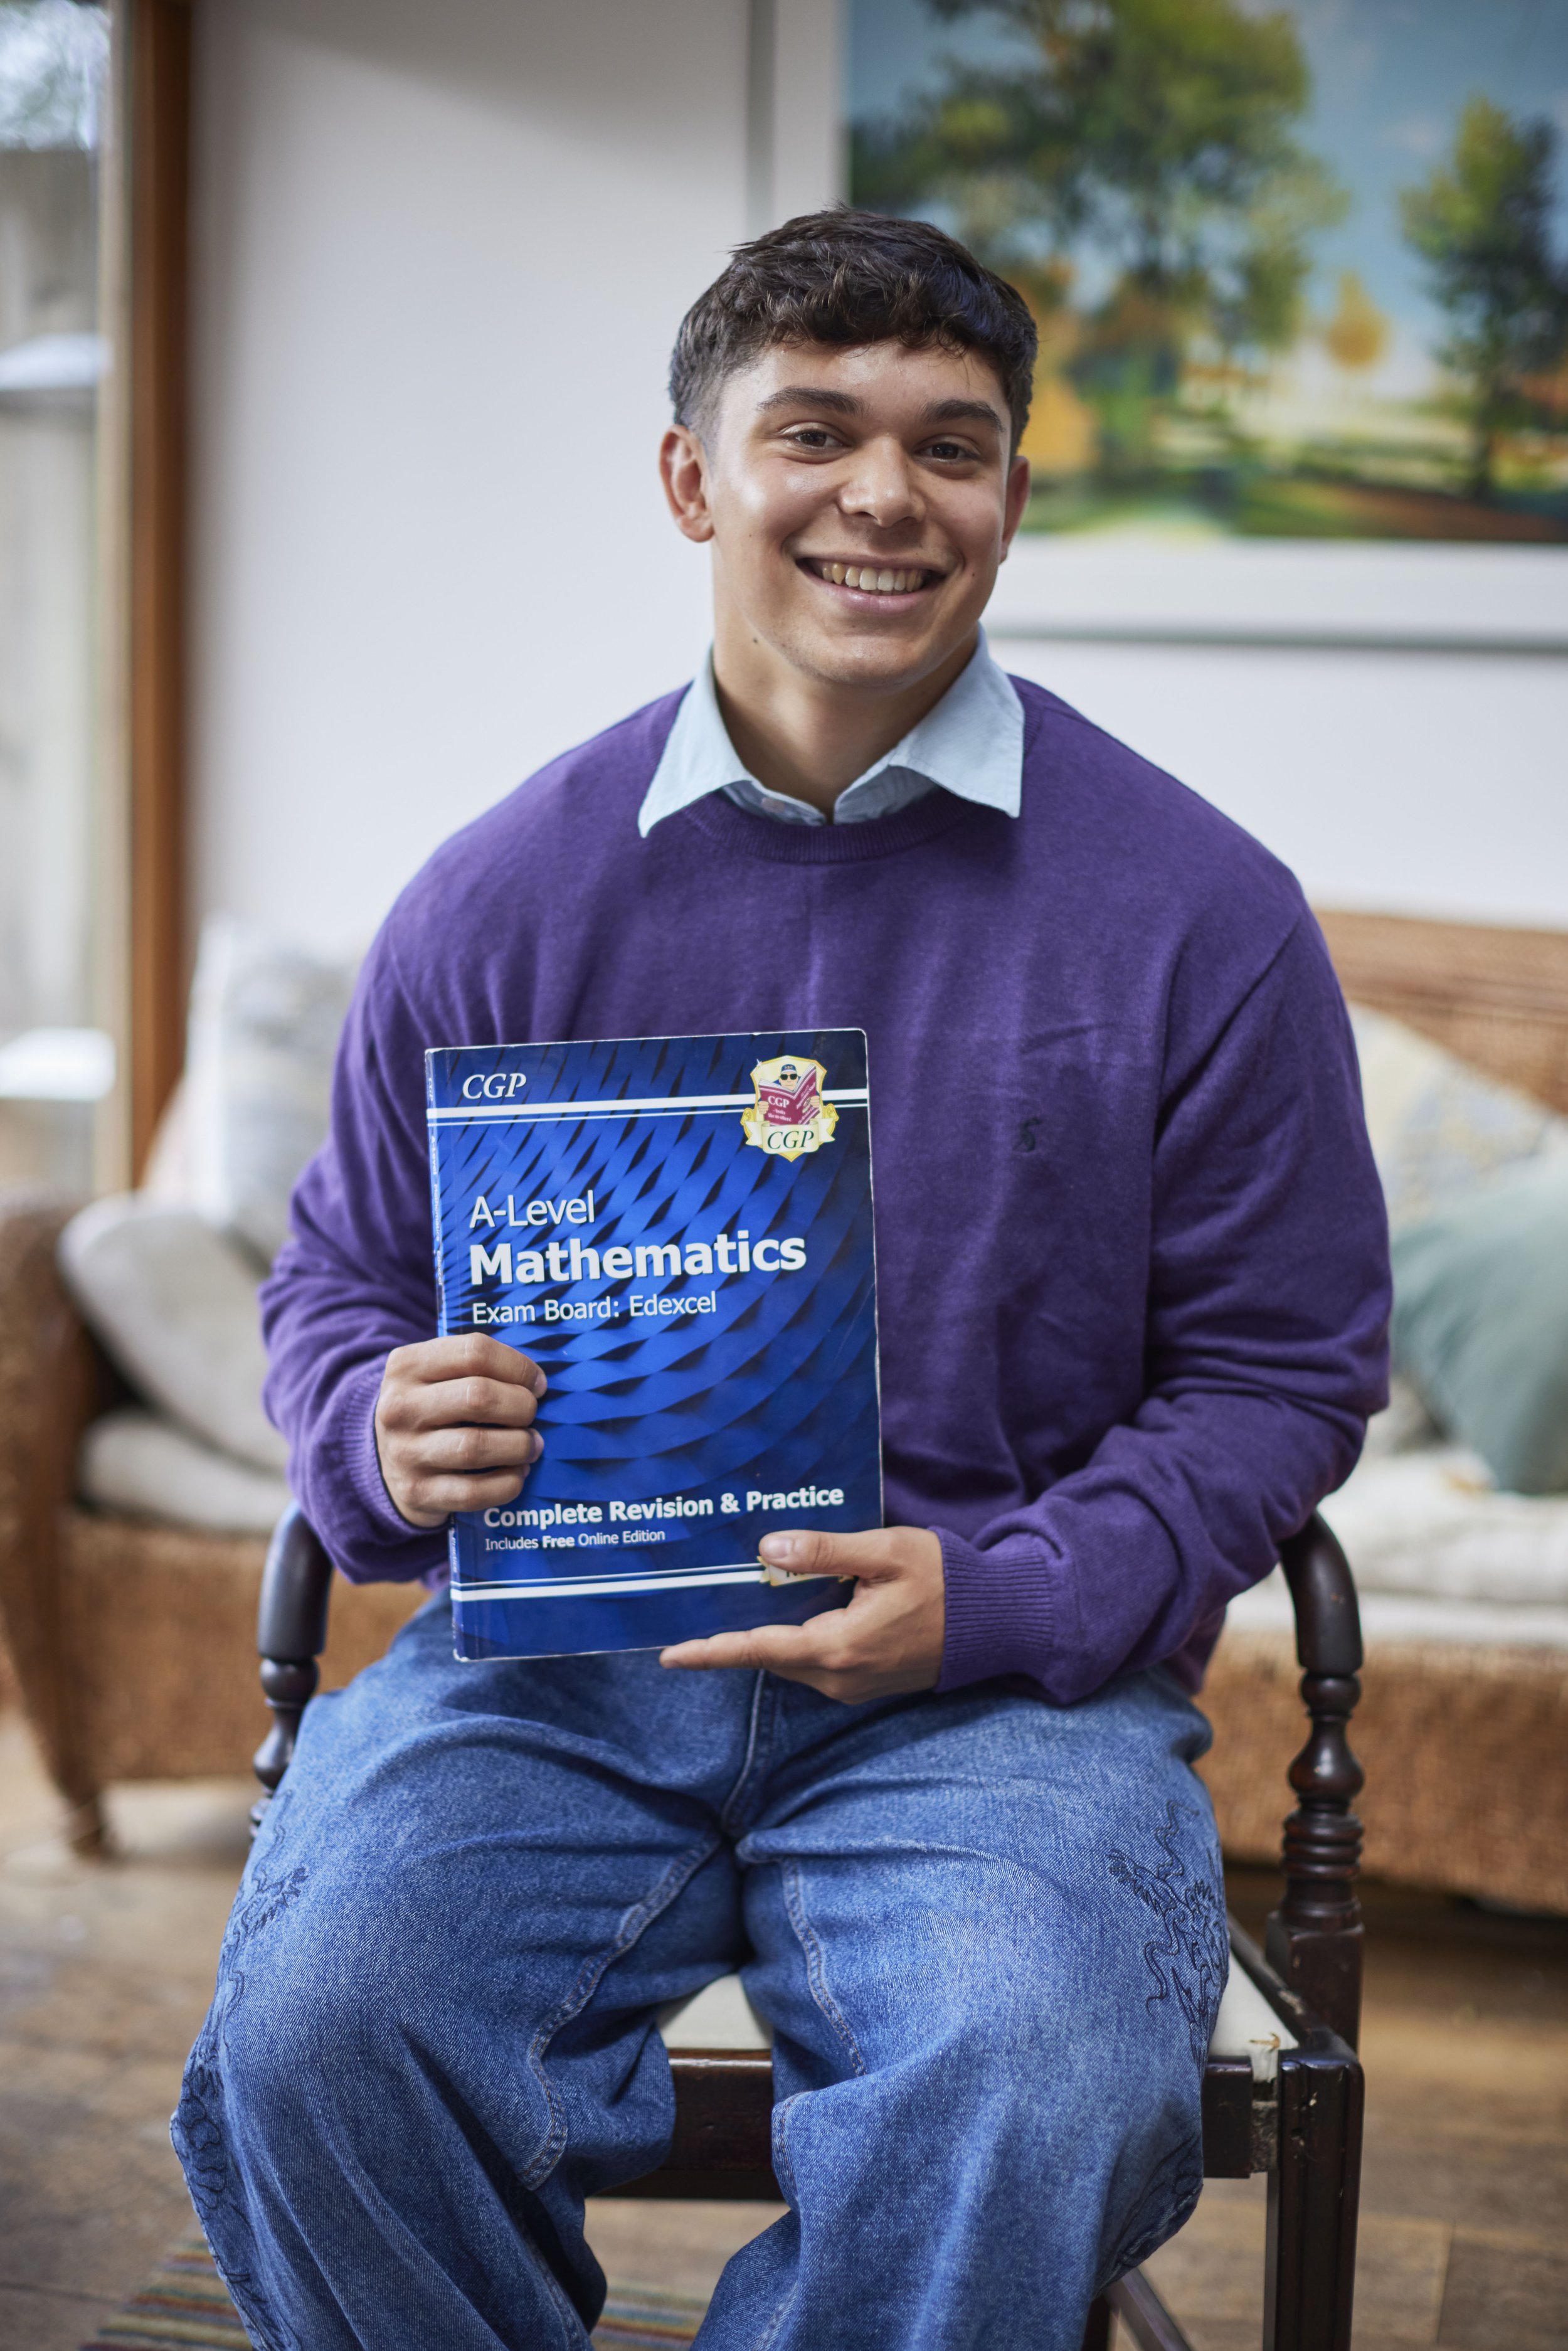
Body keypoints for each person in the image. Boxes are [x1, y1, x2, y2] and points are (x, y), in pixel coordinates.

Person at [174, 210, 1389, 2351]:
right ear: (690, 481)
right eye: (811, 432)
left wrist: (1000, 1594)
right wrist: (374, 1419)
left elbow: (1283, 1373)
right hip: (548, 1683)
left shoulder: (1199, 911)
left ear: (1012, 493)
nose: (882, 497)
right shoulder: (496, 895)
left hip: (997, 1704)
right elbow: (340, 1281)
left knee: (1026, 2083)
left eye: (952, 444)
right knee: (312, 2044)